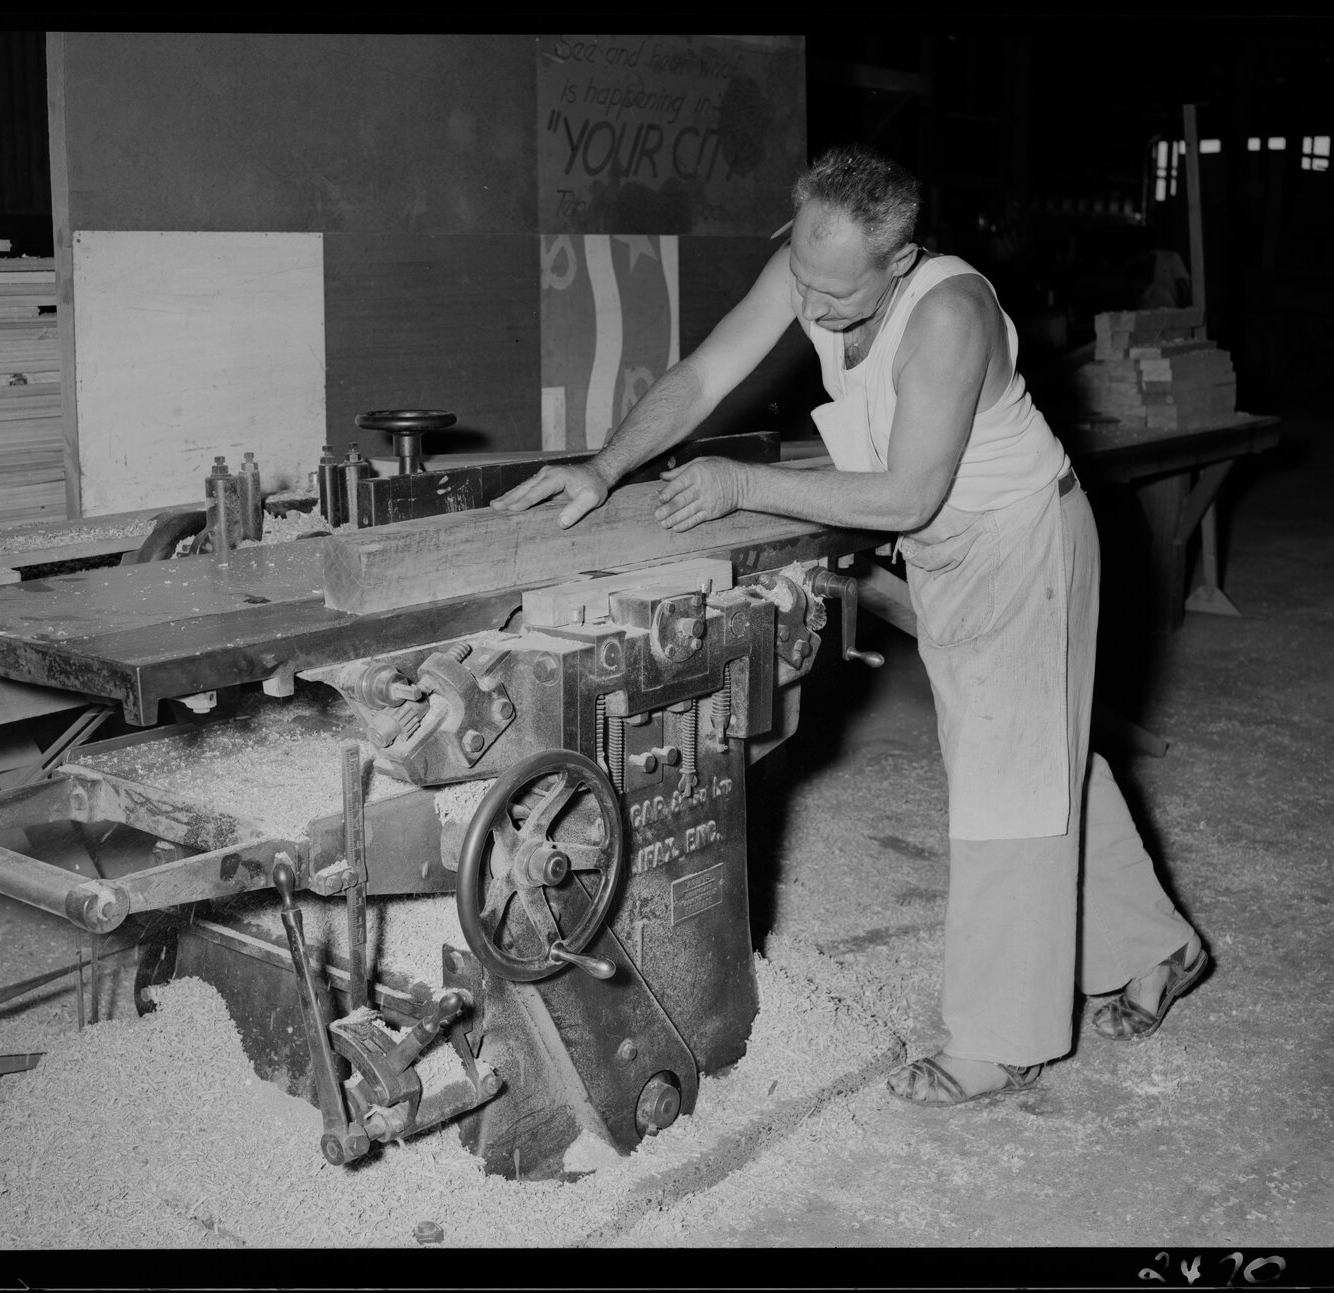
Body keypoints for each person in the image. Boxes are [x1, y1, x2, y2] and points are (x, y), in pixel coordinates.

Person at [492, 144, 1207, 1106]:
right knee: (1043, 753)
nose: (814, 308)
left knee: (1007, 786)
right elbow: (706, 374)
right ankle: (1157, 946)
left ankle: (1004, 1041)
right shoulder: (813, 265)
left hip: (1022, 542)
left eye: (838, 296)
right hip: (951, 546)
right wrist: (604, 464)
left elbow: (908, 495)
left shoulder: (949, 315)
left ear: (901, 261)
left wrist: (742, 483)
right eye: (803, 278)